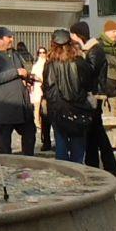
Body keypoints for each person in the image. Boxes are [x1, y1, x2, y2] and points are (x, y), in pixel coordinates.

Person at [71, 21, 116, 174]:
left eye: (73, 34)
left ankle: (110, 167)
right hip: (90, 95)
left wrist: (78, 59)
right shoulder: (88, 49)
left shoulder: (94, 50)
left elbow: (90, 70)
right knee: (92, 132)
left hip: (95, 96)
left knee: (97, 132)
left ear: (78, 35)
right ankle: (94, 166)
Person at [39, 29, 92, 163]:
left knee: (61, 143)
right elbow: (88, 82)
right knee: (78, 143)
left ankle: (64, 174)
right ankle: (78, 171)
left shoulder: (50, 63)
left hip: (58, 108)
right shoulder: (79, 61)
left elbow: (47, 86)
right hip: (78, 107)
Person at [0, 28, 34, 155]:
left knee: (30, 136)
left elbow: (22, 71)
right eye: (8, 37)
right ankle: (7, 170)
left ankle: (29, 164)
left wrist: (28, 78)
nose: (12, 39)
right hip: (4, 109)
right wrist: (16, 72)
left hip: (22, 107)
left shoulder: (14, 54)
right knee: (4, 146)